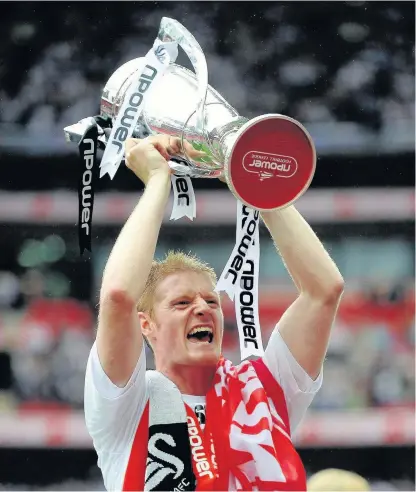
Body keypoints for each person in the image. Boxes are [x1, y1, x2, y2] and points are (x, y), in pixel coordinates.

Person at [84, 135, 345, 491]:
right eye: (181, 303)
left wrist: (247, 178)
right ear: (146, 325)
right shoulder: (127, 404)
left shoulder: (264, 391)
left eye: (211, 301)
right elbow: (118, 296)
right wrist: (158, 180)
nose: (203, 310)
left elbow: (323, 291)